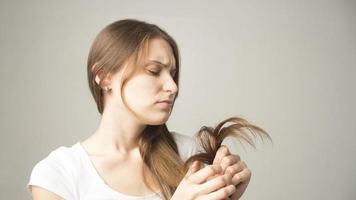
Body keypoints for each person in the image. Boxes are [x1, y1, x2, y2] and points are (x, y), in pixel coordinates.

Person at [27, 19, 262, 200]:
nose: (172, 87)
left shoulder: (186, 153)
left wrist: (226, 194)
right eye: (153, 71)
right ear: (104, 76)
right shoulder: (58, 174)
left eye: (172, 74)